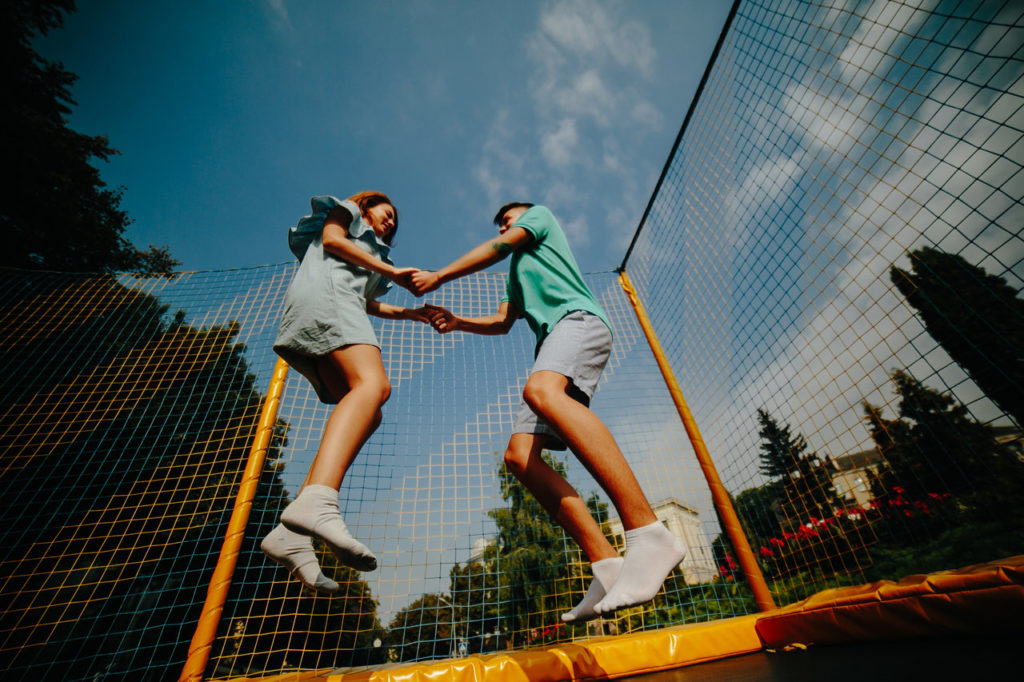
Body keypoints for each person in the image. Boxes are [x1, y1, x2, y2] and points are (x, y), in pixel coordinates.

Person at [410, 202, 686, 620]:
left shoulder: (539, 217)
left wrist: (439, 277)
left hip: (578, 324)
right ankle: (607, 565)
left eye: (510, 218)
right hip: (553, 344)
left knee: (541, 390)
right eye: (502, 221)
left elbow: (501, 245)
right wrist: (458, 321)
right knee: (519, 457)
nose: (506, 224)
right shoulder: (518, 275)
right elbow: (504, 322)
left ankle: (648, 532)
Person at [261, 191, 428, 594]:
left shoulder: (376, 256)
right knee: (374, 385)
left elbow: (367, 302)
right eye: (385, 214)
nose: (390, 222)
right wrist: (393, 272)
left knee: (370, 409)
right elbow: (333, 241)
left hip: (340, 305)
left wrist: (412, 313)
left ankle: (290, 534)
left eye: (394, 222)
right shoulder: (346, 214)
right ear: (366, 207)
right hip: (325, 302)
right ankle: (320, 502)